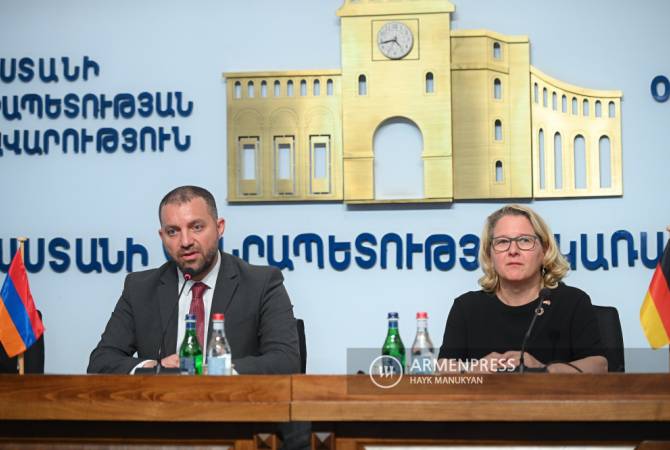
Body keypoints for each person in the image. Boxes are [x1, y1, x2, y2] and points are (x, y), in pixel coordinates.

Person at [88, 185, 300, 375]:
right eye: (173, 231)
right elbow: (101, 361)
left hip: (233, 404)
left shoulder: (261, 284)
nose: (186, 241)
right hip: (163, 404)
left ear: (219, 227)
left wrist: (217, 371)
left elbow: (286, 361)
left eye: (196, 227)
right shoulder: (140, 288)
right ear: (162, 237)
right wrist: (155, 368)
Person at [438, 204, 608, 374]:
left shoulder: (572, 302)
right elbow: (442, 371)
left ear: (545, 250)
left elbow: (599, 366)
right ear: (490, 254)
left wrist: (543, 370)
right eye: (502, 242)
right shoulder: (467, 307)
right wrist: (475, 370)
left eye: (525, 240)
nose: (513, 251)